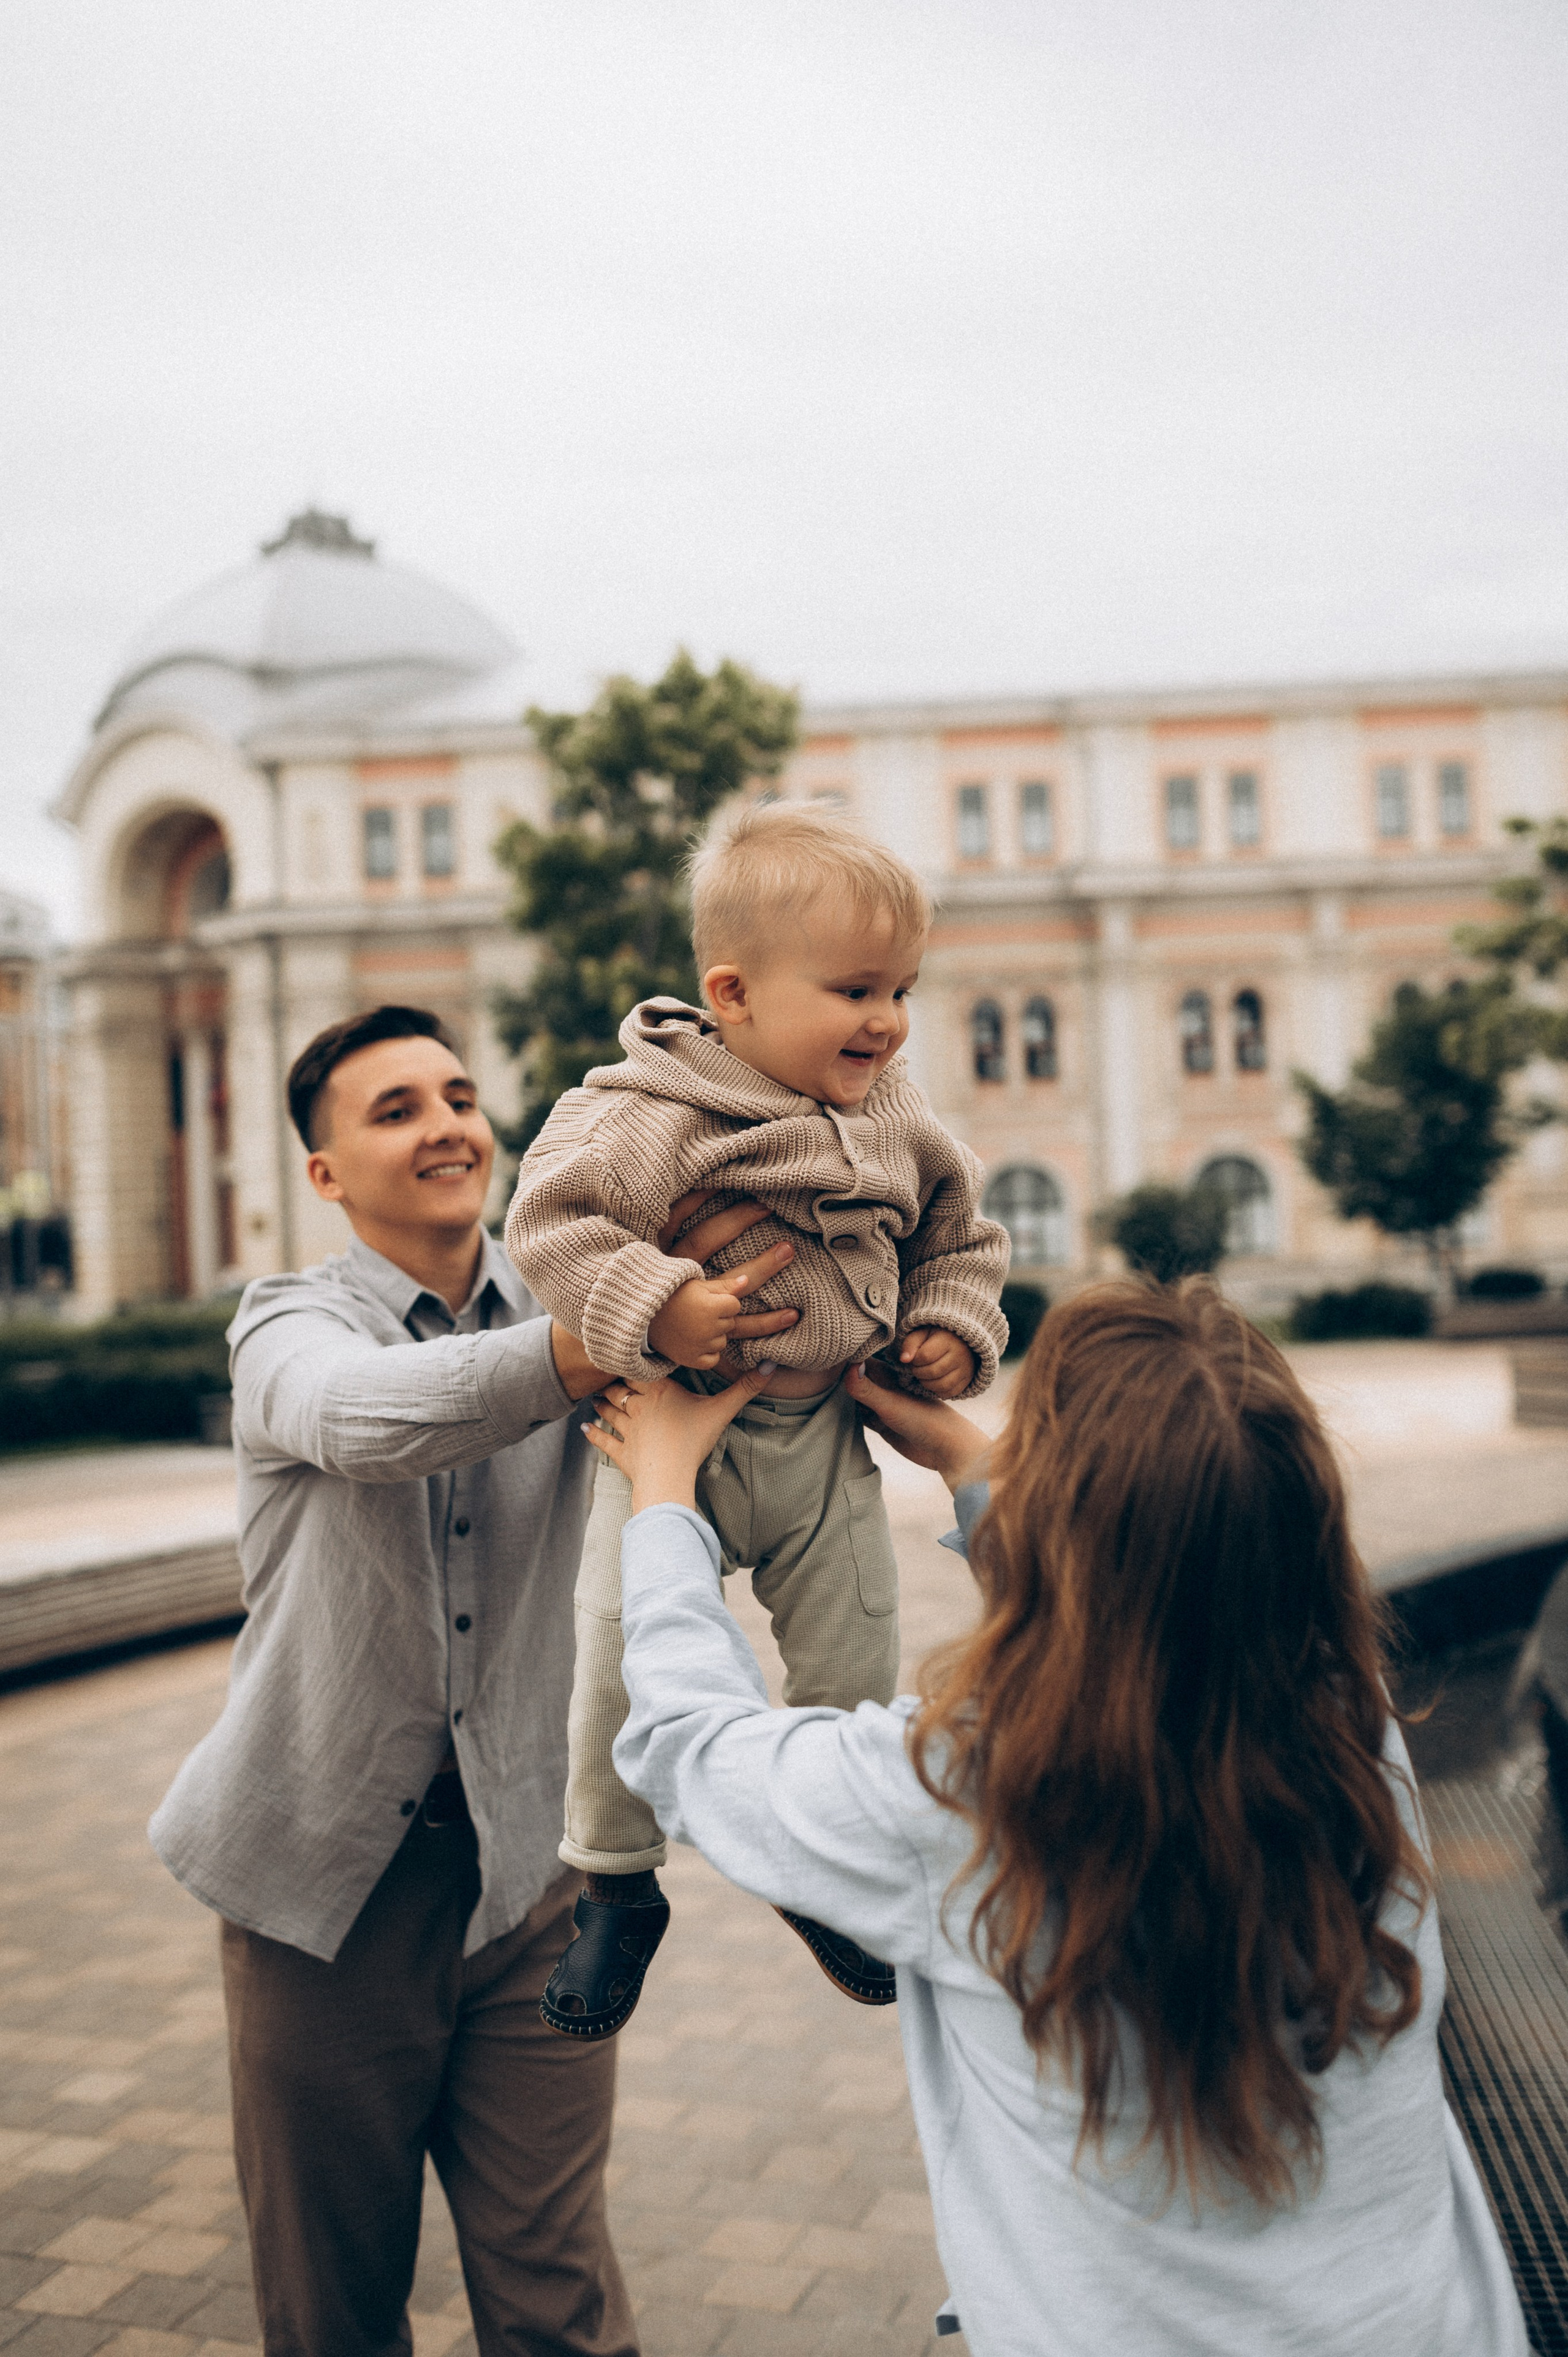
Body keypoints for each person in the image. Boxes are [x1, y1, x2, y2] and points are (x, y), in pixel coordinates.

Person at [584, 1280, 1529, 2357]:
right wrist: (970, 1460)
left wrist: (663, 1497)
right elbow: (1149, 1623)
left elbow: (693, 1749)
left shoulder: (955, 1793)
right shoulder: (1350, 1723)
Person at [148, 1003, 797, 2357]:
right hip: (320, 1895)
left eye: (456, 1095)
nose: (445, 1124)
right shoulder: (285, 1324)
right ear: (322, 1175)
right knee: (334, 2310)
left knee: (559, 2296)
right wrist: (605, 1340)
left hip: (532, 1885)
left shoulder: (586, 1287)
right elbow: (360, 1417)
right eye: (394, 1111)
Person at [504, 802, 1009, 2037]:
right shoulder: (639, 1111)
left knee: (853, 1646)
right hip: (667, 1434)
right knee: (621, 1658)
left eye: (900, 988)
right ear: (731, 993)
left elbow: (959, 1233)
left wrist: (949, 1322)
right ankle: (614, 1885)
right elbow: (549, 1229)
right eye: (851, 990)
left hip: (823, 1438)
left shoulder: (897, 1109)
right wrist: (659, 1304)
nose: (884, 1020)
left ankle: (821, 1854)